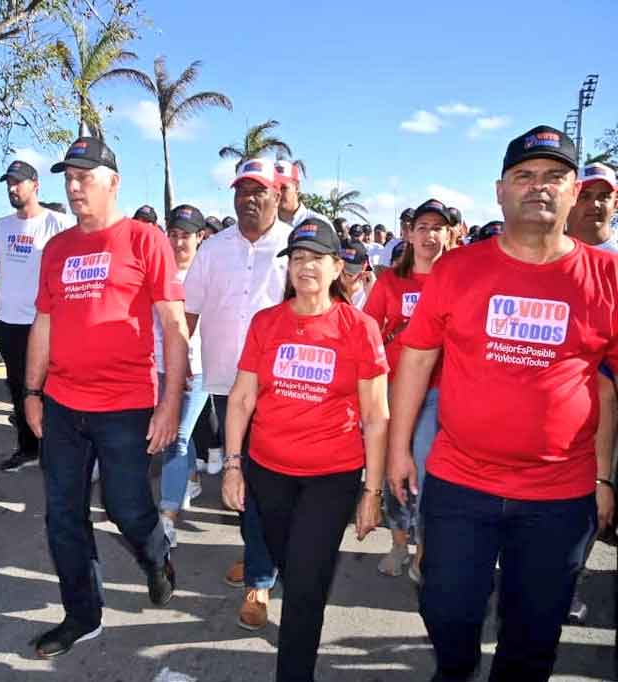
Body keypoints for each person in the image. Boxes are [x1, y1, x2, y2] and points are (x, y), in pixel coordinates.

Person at [387, 126, 616, 682]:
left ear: (574, 191)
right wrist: (397, 452)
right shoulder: (458, 269)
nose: (539, 187)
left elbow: (608, 386)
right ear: (500, 190)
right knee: (446, 608)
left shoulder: (608, 277)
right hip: (460, 483)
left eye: (554, 176)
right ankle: (456, 669)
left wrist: (604, 477)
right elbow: (416, 359)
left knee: (533, 634)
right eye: (525, 175)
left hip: (560, 494)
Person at [24, 137, 186, 658]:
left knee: (126, 507)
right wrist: (31, 391)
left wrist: (170, 403)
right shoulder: (57, 248)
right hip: (64, 403)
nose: (73, 188)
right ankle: (82, 615)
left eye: (84, 177)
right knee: (62, 514)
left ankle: (156, 554)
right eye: (68, 178)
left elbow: (174, 326)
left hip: (125, 404)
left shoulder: (144, 240)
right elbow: (43, 323)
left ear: (112, 182)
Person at [222, 217, 388, 682]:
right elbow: (241, 399)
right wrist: (234, 465)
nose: (305, 266)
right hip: (268, 472)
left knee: (306, 584)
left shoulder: (360, 328)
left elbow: (376, 416)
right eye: (297, 258)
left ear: (338, 267)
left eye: (316, 258)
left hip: (332, 476)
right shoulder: (266, 323)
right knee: (290, 569)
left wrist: (371, 491)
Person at [184, 157, 290, 631]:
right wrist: (175, 370)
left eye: (258, 191)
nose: (248, 199)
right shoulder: (213, 249)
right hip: (227, 384)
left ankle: (261, 575)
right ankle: (261, 563)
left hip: (284, 387)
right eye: (241, 191)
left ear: (276, 195)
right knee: (246, 477)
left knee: (267, 482)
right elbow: (189, 310)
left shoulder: (294, 246)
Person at [365, 198, 450, 583]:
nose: (429, 235)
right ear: (409, 234)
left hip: (441, 392)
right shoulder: (390, 281)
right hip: (395, 389)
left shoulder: (460, 279)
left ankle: (426, 550)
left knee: (428, 470)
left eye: (437, 227)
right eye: (422, 227)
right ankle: (400, 541)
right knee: (392, 467)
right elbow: (366, 332)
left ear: (449, 234)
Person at [564, 161, 618, 623]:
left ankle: (570, 576)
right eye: (586, 194)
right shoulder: (548, 252)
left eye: (604, 195)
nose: (595, 204)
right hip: (565, 409)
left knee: (599, 495)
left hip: (610, 404)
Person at [0, 160, 68, 472]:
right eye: (8, 183)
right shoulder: (2, 225)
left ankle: (57, 450)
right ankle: (28, 448)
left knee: (50, 388)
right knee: (18, 387)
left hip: (45, 321)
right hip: (9, 321)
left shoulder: (57, 223)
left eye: (18, 182)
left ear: (35, 185)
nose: (13, 188)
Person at [157, 204, 210, 547]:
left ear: (200, 237)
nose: (178, 243)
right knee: (180, 430)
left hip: (199, 370)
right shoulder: (157, 271)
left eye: (186, 236)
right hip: (160, 368)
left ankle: (167, 517)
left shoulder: (208, 274)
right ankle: (191, 477)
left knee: (174, 437)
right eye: (173, 234)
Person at [568, 162, 618, 251]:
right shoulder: (545, 250)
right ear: (568, 201)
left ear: (615, 203)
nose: (594, 204)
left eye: (603, 197)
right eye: (584, 196)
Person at [274, 160, 327, 227]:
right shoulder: (263, 226)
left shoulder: (318, 222)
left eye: (283, 188)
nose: (278, 192)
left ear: (297, 187)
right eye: (274, 187)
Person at [338, 240, 374, 309]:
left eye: (349, 273)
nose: (342, 274)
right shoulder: (328, 289)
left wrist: (372, 297)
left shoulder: (368, 293)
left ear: (364, 266)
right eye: (339, 268)